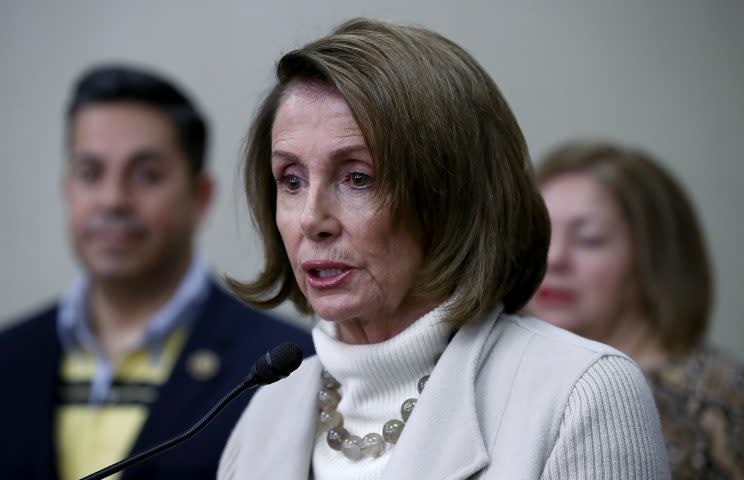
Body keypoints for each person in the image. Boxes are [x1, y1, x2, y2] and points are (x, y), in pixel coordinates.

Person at [217, 18, 670, 479]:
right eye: (291, 180)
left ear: (451, 195)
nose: (312, 219)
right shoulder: (264, 413)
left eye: (358, 177)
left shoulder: (581, 394)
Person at [0, 64, 314, 480]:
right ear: (67, 189)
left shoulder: (282, 369)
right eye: (90, 173)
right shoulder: (9, 358)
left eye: (147, 175)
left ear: (200, 197)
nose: (113, 200)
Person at [527, 141, 744, 479]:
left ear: (653, 259)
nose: (554, 259)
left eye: (589, 238)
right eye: (541, 235)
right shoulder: (508, 379)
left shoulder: (717, 398)